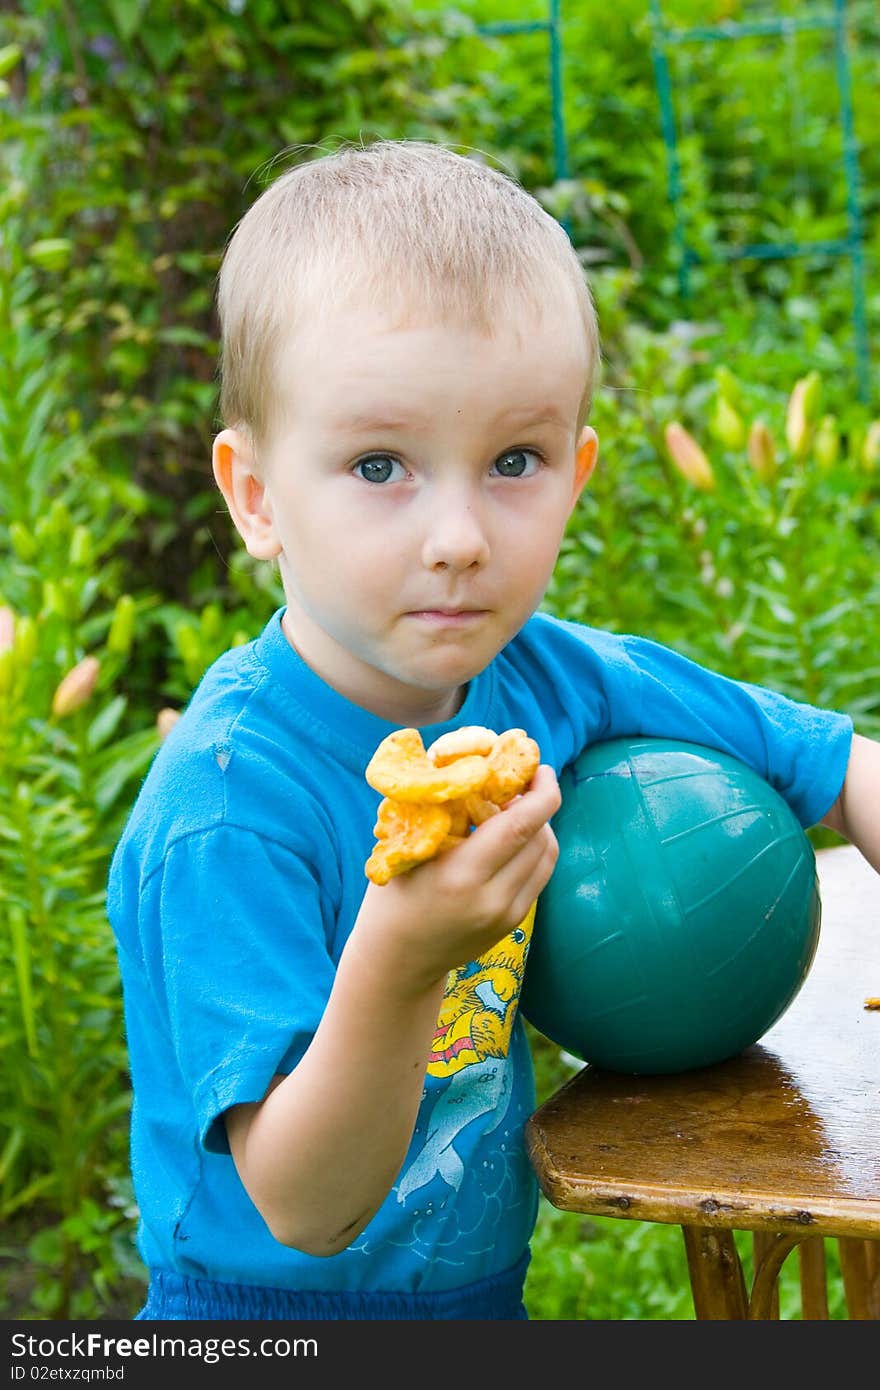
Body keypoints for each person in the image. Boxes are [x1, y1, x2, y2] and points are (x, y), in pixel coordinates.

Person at [107, 139, 880, 1322]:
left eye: (512, 460)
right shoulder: (229, 806)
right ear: (255, 496)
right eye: (380, 465)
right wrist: (404, 952)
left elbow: (834, 764)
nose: (460, 535)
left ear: (574, 475)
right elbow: (303, 1207)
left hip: (480, 1300)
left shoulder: (544, 677)